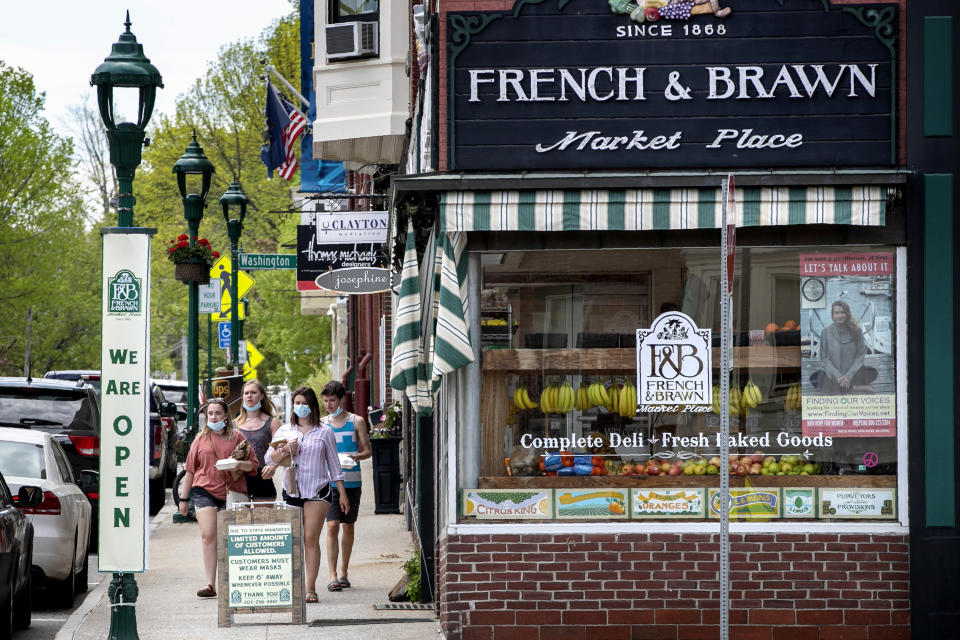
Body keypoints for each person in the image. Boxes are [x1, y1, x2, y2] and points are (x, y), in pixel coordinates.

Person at [267, 386, 349, 602]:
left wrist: (342, 493)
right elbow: (270, 459)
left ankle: (310, 588)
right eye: (297, 403)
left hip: (318, 491)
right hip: (292, 490)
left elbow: (334, 464)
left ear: (312, 406)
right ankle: (293, 585)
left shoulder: (325, 431)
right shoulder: (285, 430)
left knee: (310, 538)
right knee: (293, 540)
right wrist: (286, 449)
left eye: (304, 403)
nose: (300, 407)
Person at [177, 399, 259, 598]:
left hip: (232, 491)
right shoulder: (199, 440)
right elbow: (190, 470)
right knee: (208, 535)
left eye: (217, 413)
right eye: (210, 414)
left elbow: (253, 466)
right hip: (204, 490)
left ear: (225, 416)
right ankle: (210, 584)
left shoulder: (237, 437)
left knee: (231, 538)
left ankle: (233, 581)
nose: (213, 417)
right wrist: (183, 499)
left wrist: (238, 465)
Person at [321, 381, 371, 591]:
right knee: (331, 525)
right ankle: (332, 575)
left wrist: (356, 456)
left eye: (332, 400)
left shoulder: (356, 421)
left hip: (351, 479)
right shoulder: (322, 423)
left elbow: (368, 450)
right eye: (325, 401)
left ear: (341, 399)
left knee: (348, 525)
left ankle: (344, 571)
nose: (328, 404)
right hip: (328, 481)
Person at [812, 300, 877, 394]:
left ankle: (841, 385)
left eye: (842, 312)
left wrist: (848, 376)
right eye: (837, 313)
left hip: (852, 373)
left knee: (872, 372)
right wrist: (838, 376)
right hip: (834, 374)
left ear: (847, 314)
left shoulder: (856, 330)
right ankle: (855, 387)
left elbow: (860, 356)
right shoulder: (825, 332)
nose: (840, 316)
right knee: (815, 378)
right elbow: (824, 358)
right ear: (832, 315)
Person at [234, 380, 280, 503]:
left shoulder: (272, 422)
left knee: (263, 521)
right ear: (242, 396)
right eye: (246, 393)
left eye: (253, 392)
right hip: (239, 477)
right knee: (241, 521)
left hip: (263, 477)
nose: (249, 395)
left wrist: (273, 466)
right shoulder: (234, 424)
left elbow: (280, 450)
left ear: (262, 395)